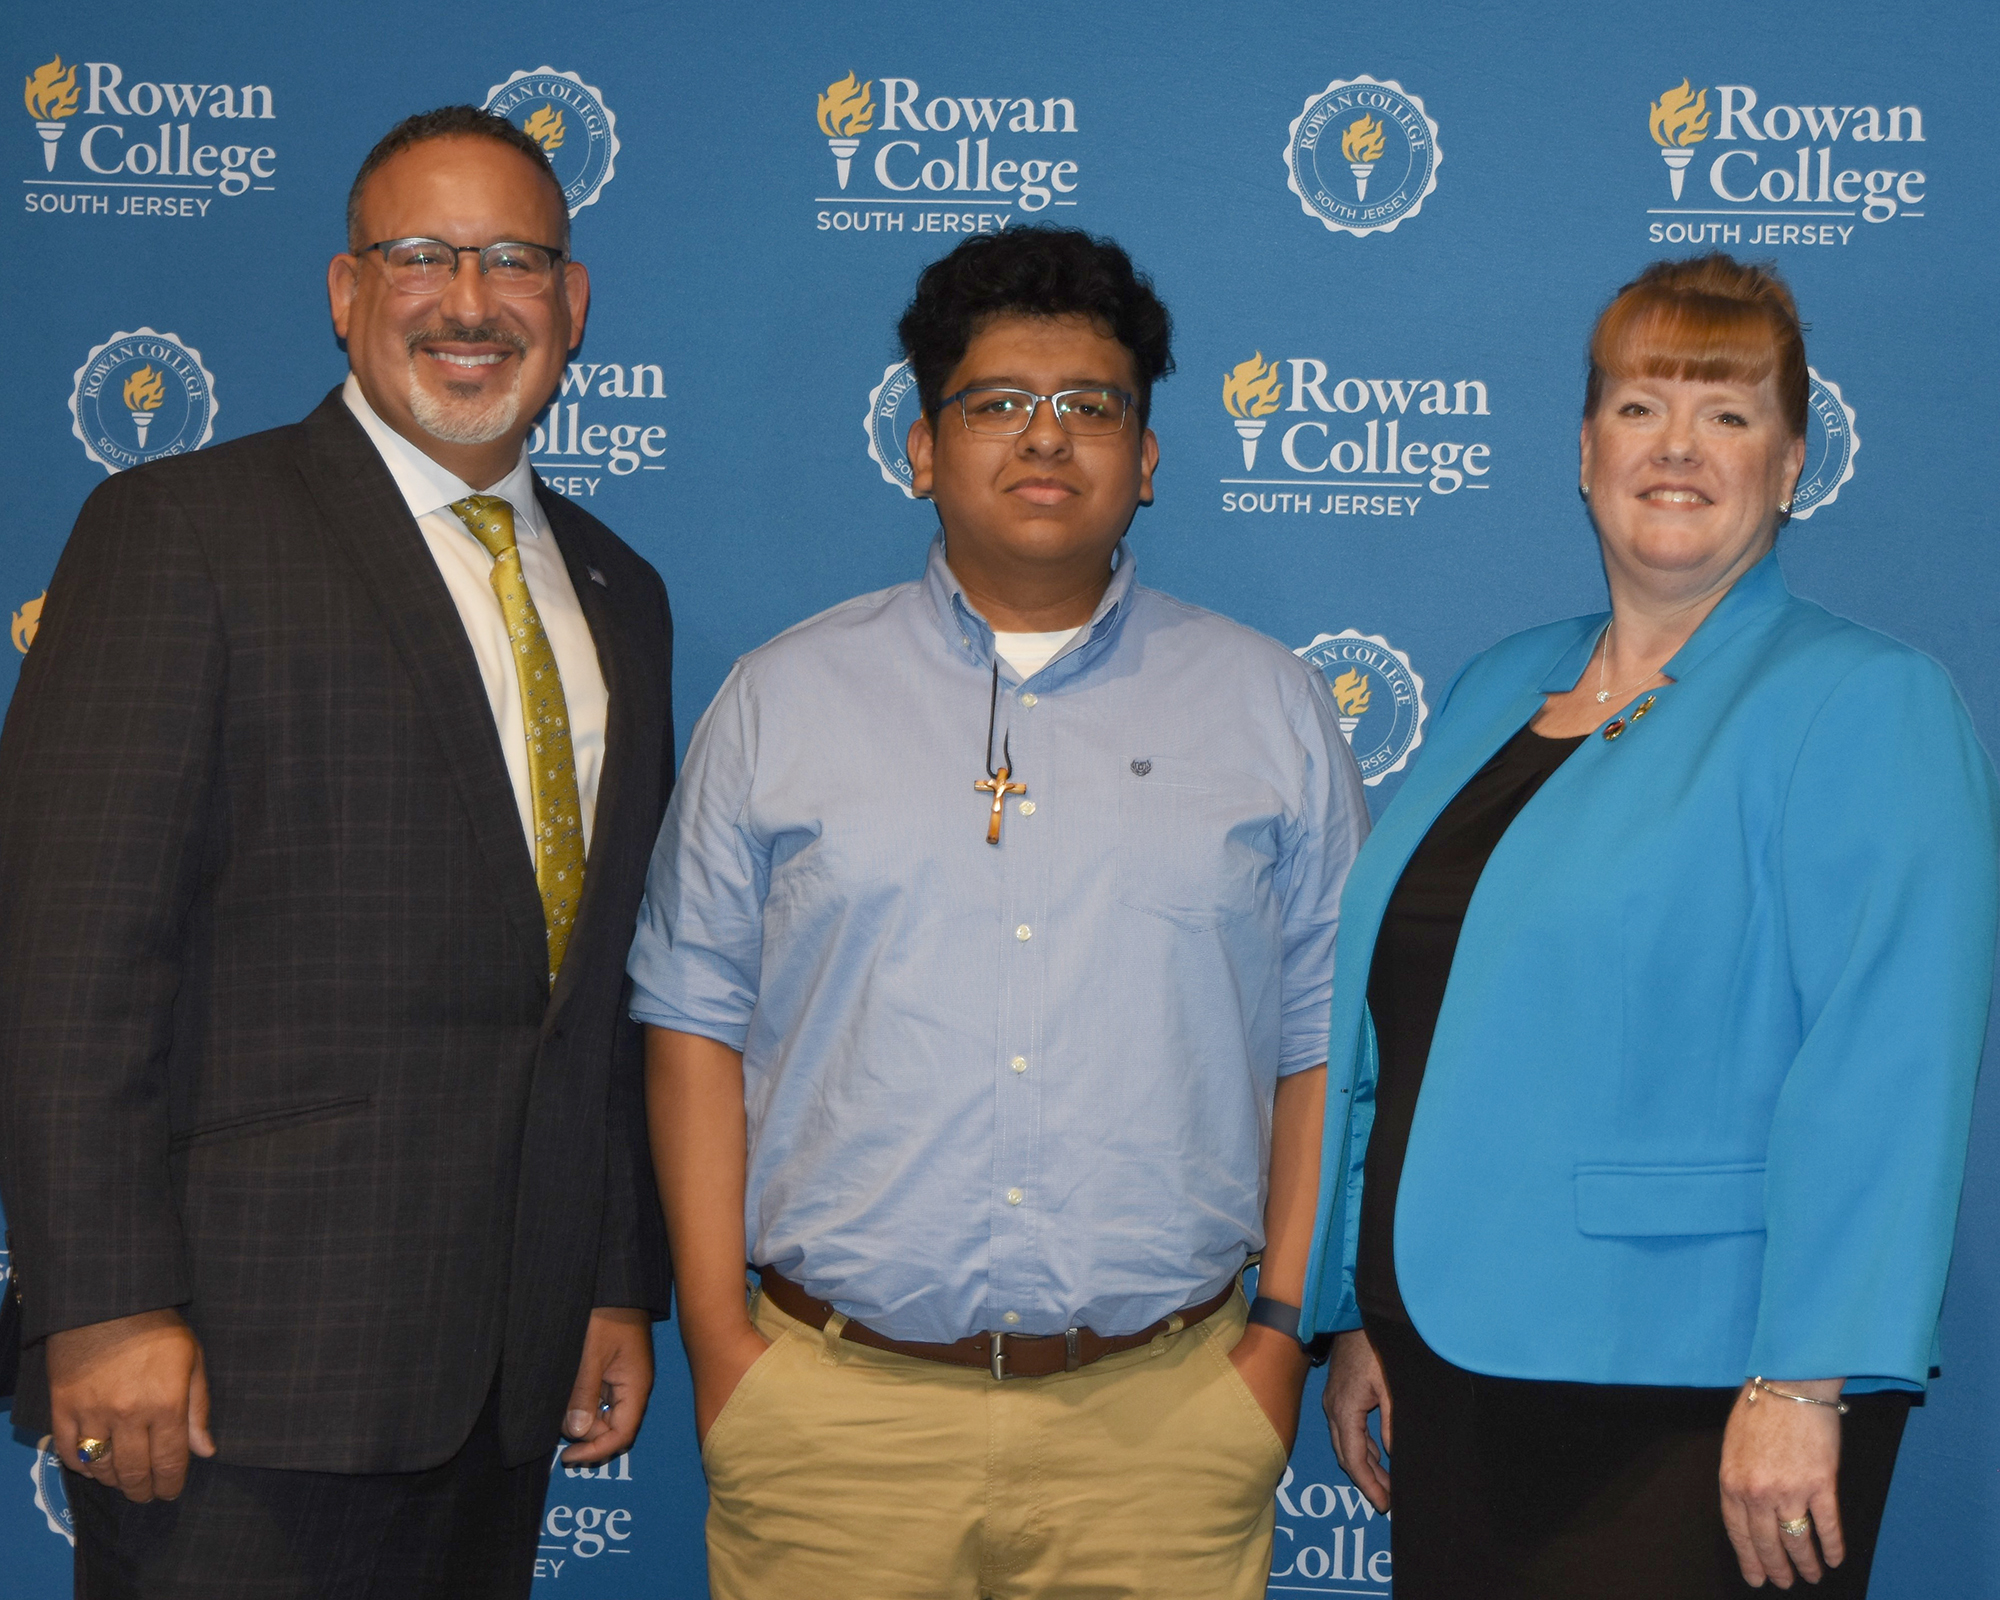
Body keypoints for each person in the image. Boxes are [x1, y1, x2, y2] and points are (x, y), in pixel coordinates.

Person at [629, 226, 1369, 1598]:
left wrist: (1278, 1338)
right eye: (999, 404)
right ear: (922, 448)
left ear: (1146, 460)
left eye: (1091, 406)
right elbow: (691, 1021)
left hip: (1168, 1420)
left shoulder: (1268, 709)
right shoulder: (779, 703)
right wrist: (725, 1351)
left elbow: (1327, 1040)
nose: (1048, 438)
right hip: (833, 1428)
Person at [0, 106, 676, 1598]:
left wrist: (611, 1281)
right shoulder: (181, 529)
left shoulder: (622, 591)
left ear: (571, 305)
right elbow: (66, 959)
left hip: (503, 1374)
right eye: (420, 256)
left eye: (513, 260)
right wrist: (101, 1304)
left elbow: (599, 992)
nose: (469, 300)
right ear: (345, 292)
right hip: (238, 1373)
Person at [1305, 253, 2000, 1598]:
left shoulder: (1867, 702)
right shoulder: (1495, 684)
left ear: (1791, 465)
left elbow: (1888, 1069)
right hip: (1451, 1368)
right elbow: (1414, 1022)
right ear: (1582, 450)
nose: (1677, 447)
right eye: (1639, 408)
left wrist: (1807, 1379)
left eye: (1728, 415)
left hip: (1702, 1393)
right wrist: (1365, 1310)